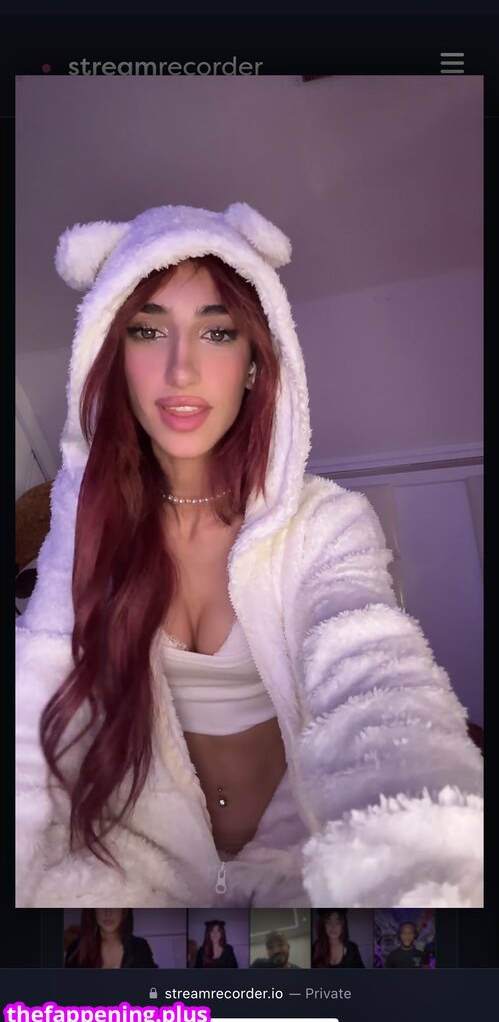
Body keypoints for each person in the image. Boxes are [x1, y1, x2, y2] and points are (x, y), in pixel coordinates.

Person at [16, 202, 483, 908]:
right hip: (144, 859)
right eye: (147, 330)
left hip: (298, 857)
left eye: (217, 331)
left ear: (255, 364)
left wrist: (421, 860)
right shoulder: (84, 527)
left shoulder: (324, 524)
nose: (181, 368)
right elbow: (36, 684)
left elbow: (375, 680)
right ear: (114, 359)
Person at [64, 908, 157, 968]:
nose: (108, 913)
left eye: (115, 905)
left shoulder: (139, 948)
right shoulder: (76, 950)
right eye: (101, 904)